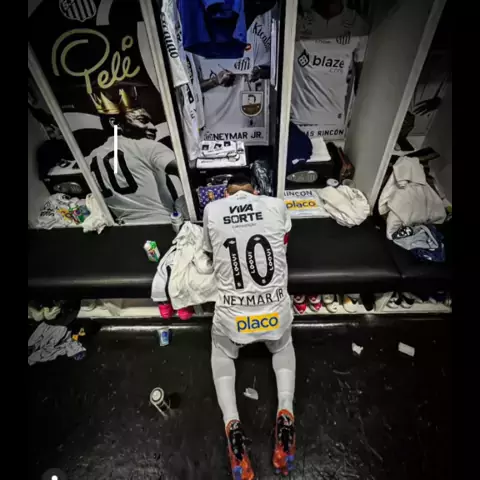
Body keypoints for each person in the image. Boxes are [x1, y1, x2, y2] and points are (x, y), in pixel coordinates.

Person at [203, 173, 296, 479]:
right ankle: (286, 409)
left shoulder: (212, 209)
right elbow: (282, 246)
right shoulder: (276, 205)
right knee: (283, 346)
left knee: (221, 352)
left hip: (234, 320)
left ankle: (232, 424)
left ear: (226, 194)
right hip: (274, 314)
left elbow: (210, 252)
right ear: (256, 192)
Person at [87, 89, 180, 224]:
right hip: (162, 223)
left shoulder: (92, 157)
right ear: (115, 123)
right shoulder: (146, 146)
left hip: (125, 228)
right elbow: (183, 171)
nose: (153, 127)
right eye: (143, 120)